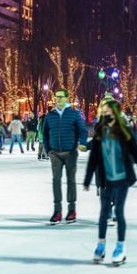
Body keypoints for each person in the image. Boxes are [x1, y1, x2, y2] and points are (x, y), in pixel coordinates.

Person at [84, 99, 137, 266]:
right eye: (103, 112)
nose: (105, 115)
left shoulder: (125, 132)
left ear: (115, 113)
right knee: (103, 213)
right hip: (106, 180)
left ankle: (120, 248)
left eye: (107, 112)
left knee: (119, 213)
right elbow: (93, 158)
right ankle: (101, 245)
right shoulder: (100, 132)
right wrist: (87, 179)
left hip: (122, 179)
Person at [42, 88, 88, 225]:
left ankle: (71, 210)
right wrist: (48, 150)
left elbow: (83, 130)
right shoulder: (50, 115)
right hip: (55, 153)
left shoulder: (74, 114)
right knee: (56, 180)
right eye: (57, 97)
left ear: (67, 98)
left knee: (71, 181)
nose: (59, 99)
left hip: (70, 152)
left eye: (61, 97)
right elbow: (45, 134)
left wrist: (83, 143)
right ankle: (57, 211)